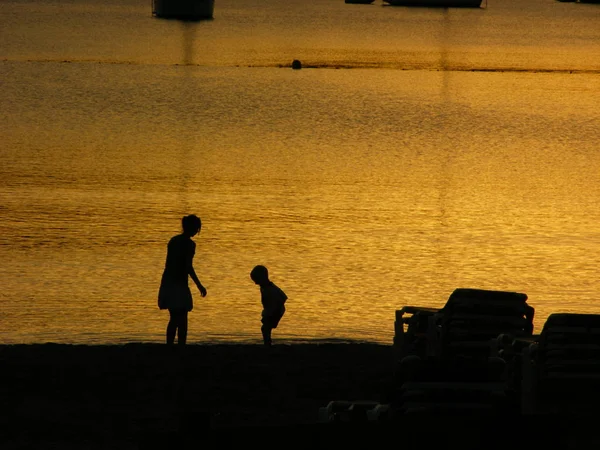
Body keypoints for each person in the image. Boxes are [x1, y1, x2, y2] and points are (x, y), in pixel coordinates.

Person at [158, 214, 207, 346]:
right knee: (182, 318)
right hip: (179, 283)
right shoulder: (190, 244)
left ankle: (170, 345)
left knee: (174, 317)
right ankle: (181, 345)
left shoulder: (173, 240)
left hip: (168, 281)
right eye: (197, 228)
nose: (197, 231)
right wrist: (199, 285)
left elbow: (171, 264)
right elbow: (188, 267)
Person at [250, 265, 288, 346]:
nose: (255, 283)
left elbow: (283, 297)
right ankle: (268, 343)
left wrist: (274, 310)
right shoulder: (263, 287)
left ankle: (267, 344)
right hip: (270, 309)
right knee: (266, 328)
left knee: (265, 328)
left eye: (256, 280)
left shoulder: (271, 289)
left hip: (276, 309)